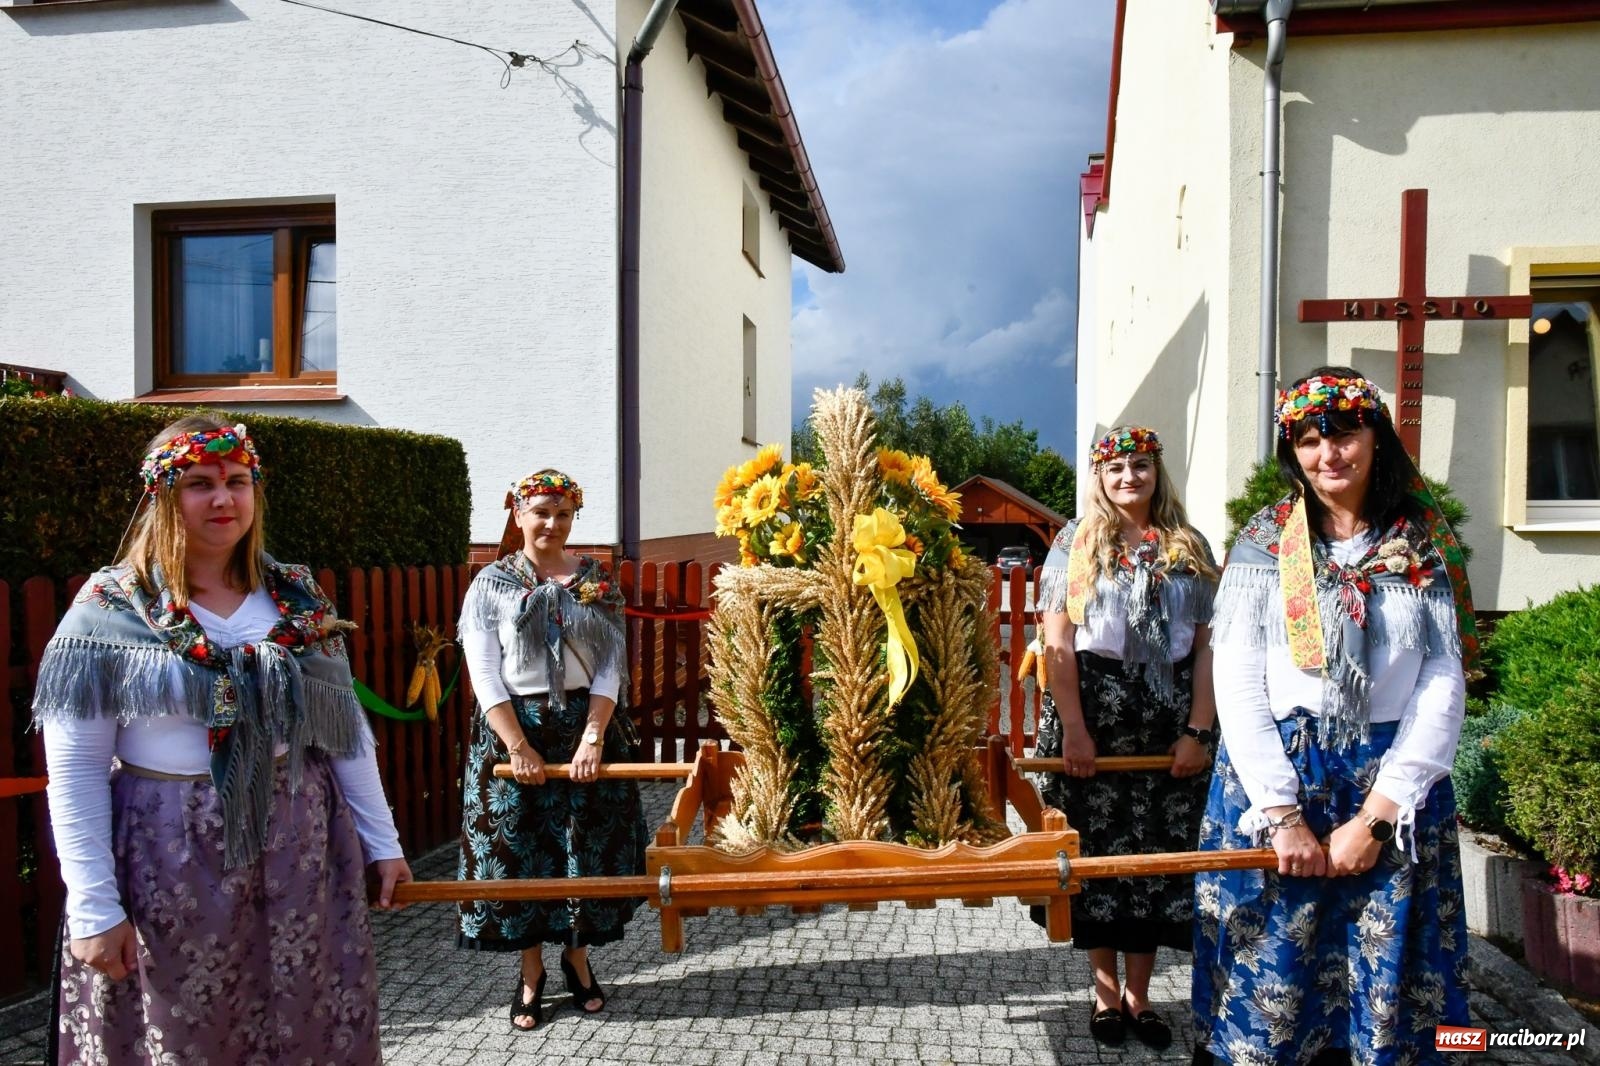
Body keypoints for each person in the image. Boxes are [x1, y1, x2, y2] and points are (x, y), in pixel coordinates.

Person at [34, 415, 411, 1064]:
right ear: (161, 494)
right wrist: (95, 905)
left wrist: (385, 844)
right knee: (188, 1030)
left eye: (237, 480)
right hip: (167, 857)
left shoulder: (293, 596)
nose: (223, 498)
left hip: (300, 843)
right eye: (199, 483)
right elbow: (75, 771)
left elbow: (343, 731)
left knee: (306, 1016)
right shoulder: (109, 609)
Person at [1192, 368, 1477, 1065]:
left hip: (1392, 787)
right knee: (1274, 981)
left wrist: (1380, 815)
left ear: (1375, 437)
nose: (1329, 454)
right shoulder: (1265, 542)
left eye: (1345, 433)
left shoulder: (1422, 541)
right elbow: (1238, 679)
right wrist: (1283, 815)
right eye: (1311, 440)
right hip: (1280, 778)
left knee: (1392, 987)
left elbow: (1443, 677)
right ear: (1294, 452)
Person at [1032, 425, 1220, 1050]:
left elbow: (1205, 648)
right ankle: (1104, 993)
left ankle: (1141, 998)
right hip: (1095, 713)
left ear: (1157, 472)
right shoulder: (1076, 544)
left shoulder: (1188, 546)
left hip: (1167, 720)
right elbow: (1058, 643)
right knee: (1099, 860)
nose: (1128, 478)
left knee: (1158, 860)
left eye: (1140, 466)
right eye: (1115, 469)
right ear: (1099, 478)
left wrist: (1199, 729)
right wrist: (1075, 734)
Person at [456, 469, 646, 1032]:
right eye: (541, 512)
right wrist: (517, 745)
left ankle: (578, 958)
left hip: (586, 725)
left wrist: (593, 736)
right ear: (518, 514)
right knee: (522, 853)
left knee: (583, 849)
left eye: (563, 514)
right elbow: (484, 672)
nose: (552, 524)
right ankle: (531, 971)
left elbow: (613, 663)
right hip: (514, 728)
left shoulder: (596, 582)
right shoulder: (490, 584)